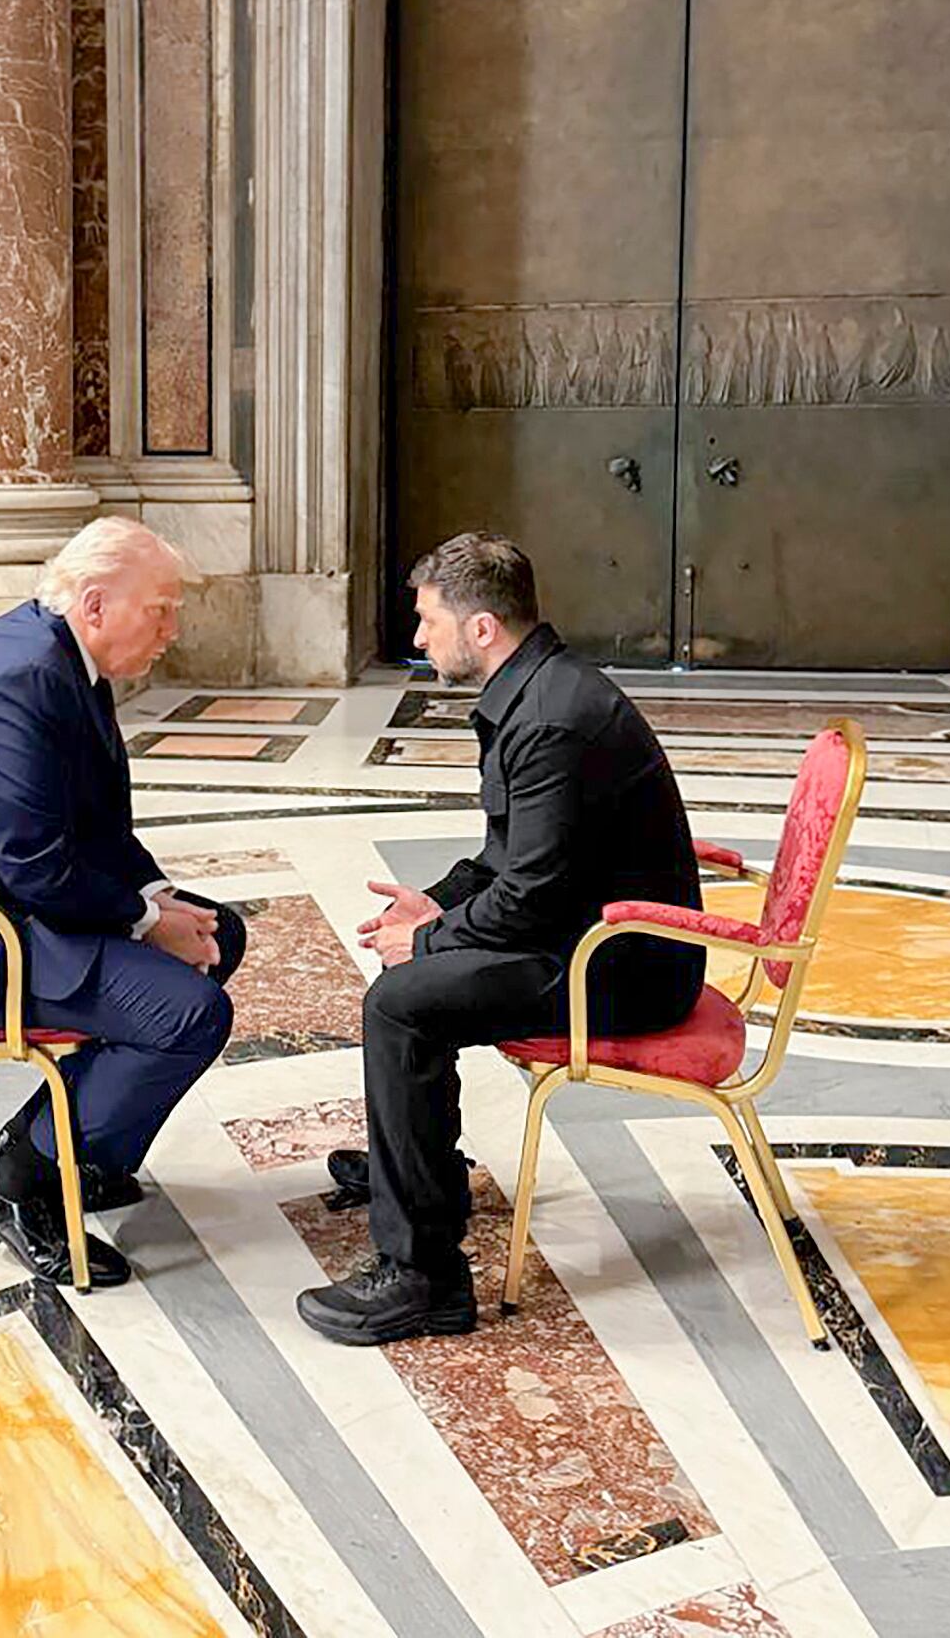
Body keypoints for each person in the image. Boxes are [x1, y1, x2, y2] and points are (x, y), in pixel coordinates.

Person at [296, 532, 705, 1347]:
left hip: (620, 965)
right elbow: (508, 860)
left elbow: (532, 893)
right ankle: (420, 1178)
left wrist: (431, 941)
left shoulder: (551, 720)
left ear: (480, 628)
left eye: (428, 621)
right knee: (410, 991)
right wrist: (436, 905)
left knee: (402, 1004)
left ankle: (424, 1278)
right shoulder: (538, 693)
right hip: (585, 934)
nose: (419, 638)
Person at [0, 515, 245, 1288]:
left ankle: (86, 1147)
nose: (172, 629)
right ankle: (21, 1180)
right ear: (94, 604)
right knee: (188, 1016)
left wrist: (156, 897)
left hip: (5, 902)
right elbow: (35, 864)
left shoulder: (57, 656)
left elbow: (88, 823)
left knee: (219, 935)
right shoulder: (17, 681)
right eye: (160, 610)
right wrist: (147, 922)